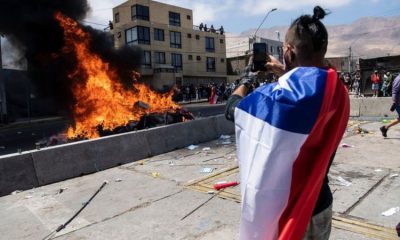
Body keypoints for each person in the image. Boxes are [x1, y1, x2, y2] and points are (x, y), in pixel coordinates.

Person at [225, 6, 349, 240]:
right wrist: (283, 70)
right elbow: (308, 85)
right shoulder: (335, 88)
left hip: (292, 208)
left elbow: (234, 110)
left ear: (289, 50)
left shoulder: (281, 98)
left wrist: (247, 79)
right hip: (321, 203)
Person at [380, 73, 400, 137]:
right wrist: (395, 102)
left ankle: (385, 128)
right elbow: (395, 91)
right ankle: (385, 128)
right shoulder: (399, 79)